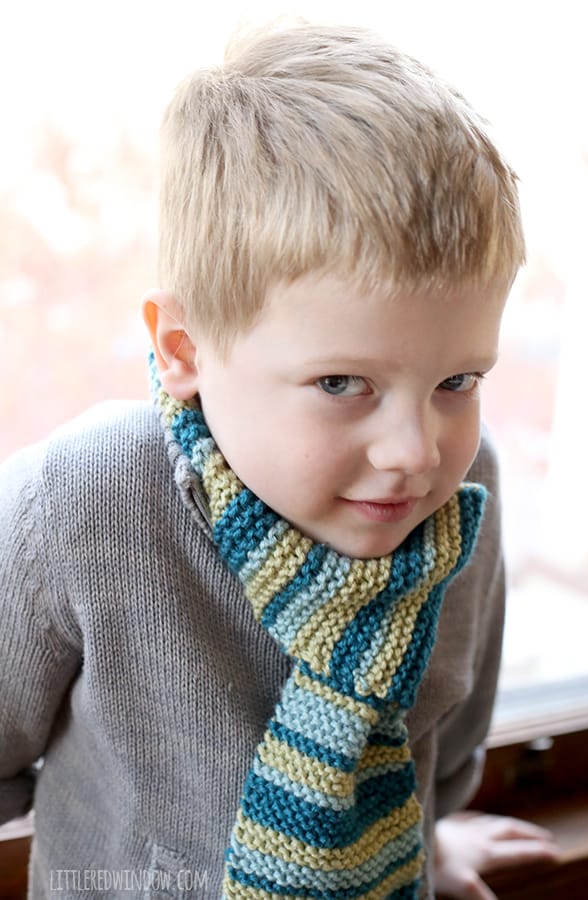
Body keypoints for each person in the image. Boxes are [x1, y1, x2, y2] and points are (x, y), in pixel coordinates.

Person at [0, 21, 558, 900]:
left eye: (458, 378)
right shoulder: (81, 504)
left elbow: (444, 742)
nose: (415, 453)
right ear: (184, 348)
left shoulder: (461, 488)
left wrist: (426, 844)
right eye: (343, 382)